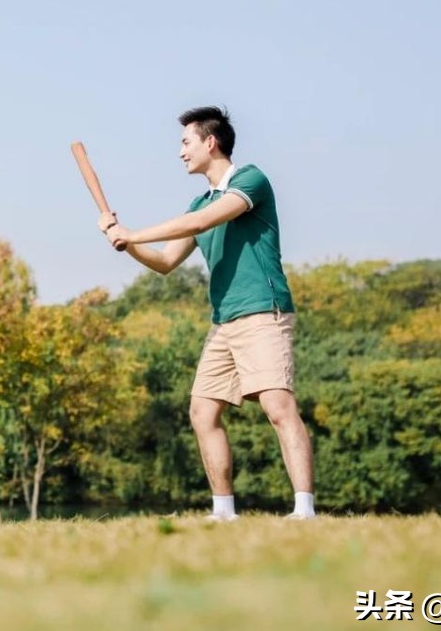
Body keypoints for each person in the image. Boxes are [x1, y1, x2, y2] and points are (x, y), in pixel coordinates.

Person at [99, 106, 315, 520]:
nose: (180, 152)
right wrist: (122, 240)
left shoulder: (250, 180)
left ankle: (304, 509)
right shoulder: (200, 200)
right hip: (223, 322)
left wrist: (134, 232)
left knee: (277, 406)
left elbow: (200, 222)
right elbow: (165, 262)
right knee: (202, 411)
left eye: (185, 142)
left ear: (210, 142)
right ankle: (223, 512)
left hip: (261, 312)